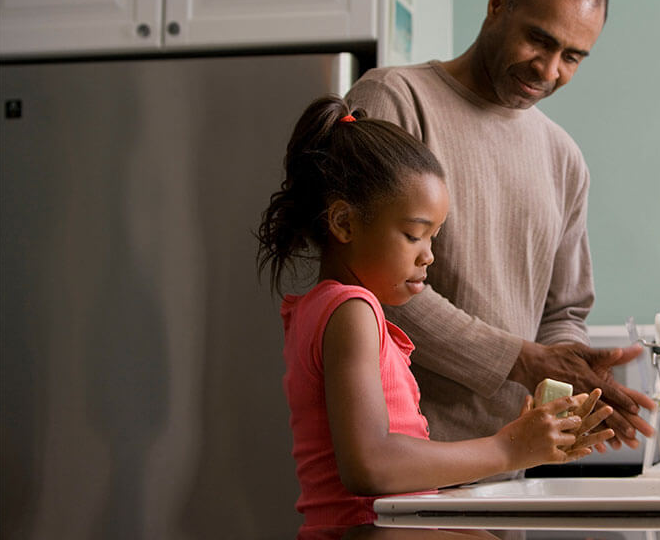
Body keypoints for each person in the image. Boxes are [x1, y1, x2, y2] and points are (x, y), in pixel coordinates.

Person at [345, 0, 655, 462]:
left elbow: (564, 309)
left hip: (508, 465)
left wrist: (572, 372)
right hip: (398, 462)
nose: (549, 70)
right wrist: (521, 360)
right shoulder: (394, 100)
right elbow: (368, 279)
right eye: (540, 39)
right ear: (496, 5)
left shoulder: (563, 158)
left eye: (572, 57)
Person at [256, 95, 614, 530]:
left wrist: (525, 441)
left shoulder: (324, 309)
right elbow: (370, 465)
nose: (429, 256)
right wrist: (507, 449)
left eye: (434, 237)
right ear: (345, 224)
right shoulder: (352, 310)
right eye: (414, 235)